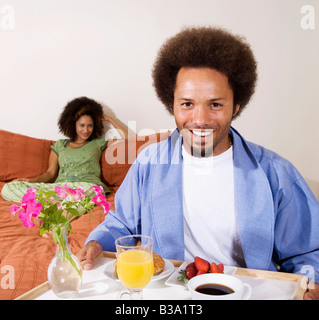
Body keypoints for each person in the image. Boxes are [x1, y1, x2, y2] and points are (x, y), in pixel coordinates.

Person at [76, 27, 319, 299]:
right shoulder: (149, 162)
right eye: (187, 104)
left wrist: (311, 284)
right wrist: (97, 242)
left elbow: (309, 252)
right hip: (168, 295)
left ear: (236, 106)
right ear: (172, 105)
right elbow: (121, 223)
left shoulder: (276, 172)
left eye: (215, 104)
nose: (200, 119)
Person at [1, 96, 128, 202]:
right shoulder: (60, 145)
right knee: (8, 188)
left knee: (91, 191)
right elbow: (50, 174)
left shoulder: (97, 143)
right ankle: (57, 203)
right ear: (73, 125)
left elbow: (128, 140)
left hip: (87, 187)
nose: (86, 130)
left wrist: (110, 119)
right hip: (60, 189)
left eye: (90, 126)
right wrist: (31, 181)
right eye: (82, 125)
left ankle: (56, 204)